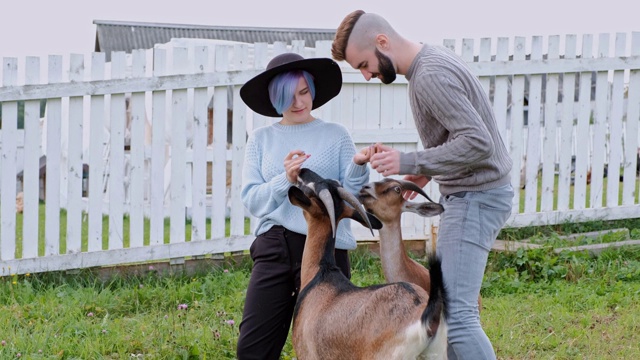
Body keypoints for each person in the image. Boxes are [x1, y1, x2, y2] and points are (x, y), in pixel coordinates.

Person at [332, 10, 514, 360]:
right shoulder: (429, 63)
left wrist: (407, 162)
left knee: (458, 318)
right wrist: (409, 182)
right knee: (455, 314)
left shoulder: (429, 75)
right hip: (472, 193)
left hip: (475, 197)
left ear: (381, 41)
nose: (367, 76)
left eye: (364, 65)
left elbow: (478, 143)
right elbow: (451, 145)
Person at [236, 52, 372, 360]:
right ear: (273, 99)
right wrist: (284, 179)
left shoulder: (335, 135)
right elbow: (252, 200)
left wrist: (359, 166)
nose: (298, 102)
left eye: (304, 92)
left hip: (327, 248)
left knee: (331, 345)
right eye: (288, 96)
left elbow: (351, 194)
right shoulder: (261, 139)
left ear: (313, 90)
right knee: (252, 349)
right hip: (277, 247)